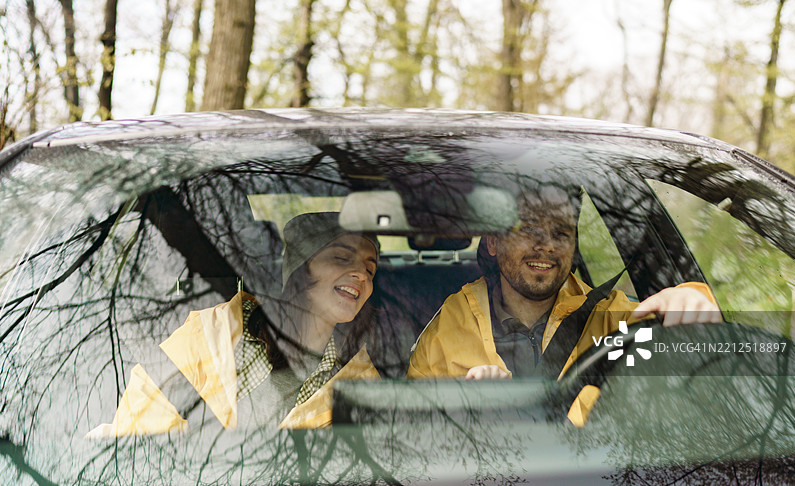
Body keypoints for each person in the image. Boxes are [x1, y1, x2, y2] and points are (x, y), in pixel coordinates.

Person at [406, 184, 722, 426]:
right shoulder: (447, 328)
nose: (547, 245)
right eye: (528, 229)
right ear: (493, 242)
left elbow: (686, 361)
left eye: (561, 232)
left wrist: (693, 297)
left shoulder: (609, 317)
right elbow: (414, 433)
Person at [87, 212, 380, 437]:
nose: (362, 274)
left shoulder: (363, 387)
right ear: (300, 268)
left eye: (370, 268)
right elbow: (138, 441)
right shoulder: (206, 335)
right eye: (342, 257)